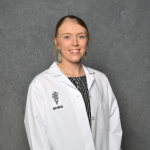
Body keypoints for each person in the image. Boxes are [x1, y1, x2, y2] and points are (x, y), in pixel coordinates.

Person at [24, 15, 123, 150]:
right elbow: (38, 139)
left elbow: (114, 129)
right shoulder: (40, 85)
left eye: (81, 36)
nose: (75, 43)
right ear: (57, 43)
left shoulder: (101, 80)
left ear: (87, 41)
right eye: (67, 37)